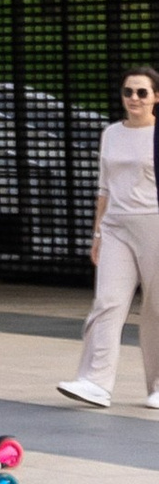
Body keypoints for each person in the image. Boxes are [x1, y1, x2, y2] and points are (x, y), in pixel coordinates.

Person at [61, 71, 159, 412]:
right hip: (116, 225)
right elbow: (104, 187)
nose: (134, 98)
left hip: (154, 223)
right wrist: (97, 232)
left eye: (142, 92)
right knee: (107, 302)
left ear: (155, 97)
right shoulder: (111, 133)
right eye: (128, 91)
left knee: (156, 308)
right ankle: (96, 382)